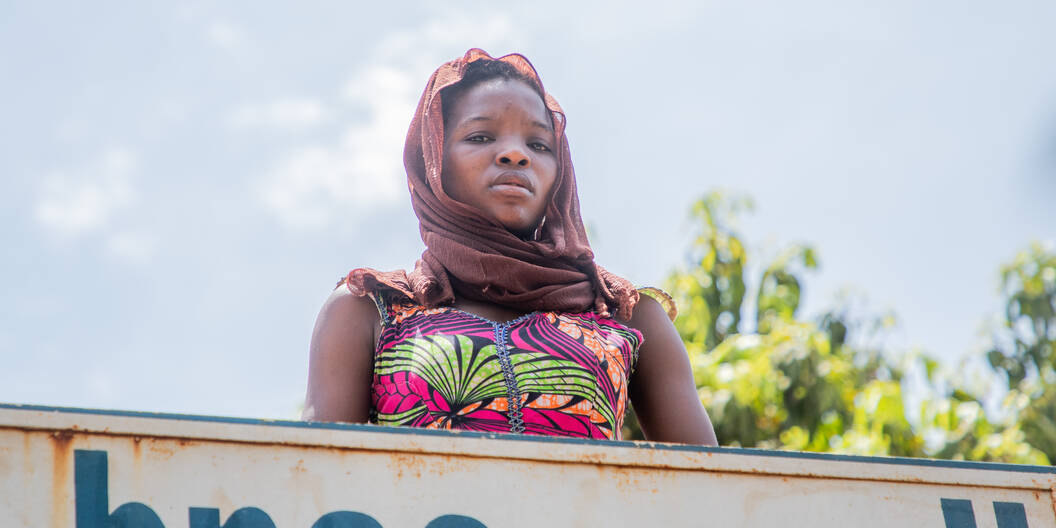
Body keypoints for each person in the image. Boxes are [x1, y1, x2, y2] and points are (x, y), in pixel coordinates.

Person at [302, 49, 717, 445]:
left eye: (539, 145)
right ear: (434, 162)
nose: (516, 155)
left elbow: (711, 490)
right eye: (481, 136)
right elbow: (319, 486)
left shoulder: (626, 313)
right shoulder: (367, 309)